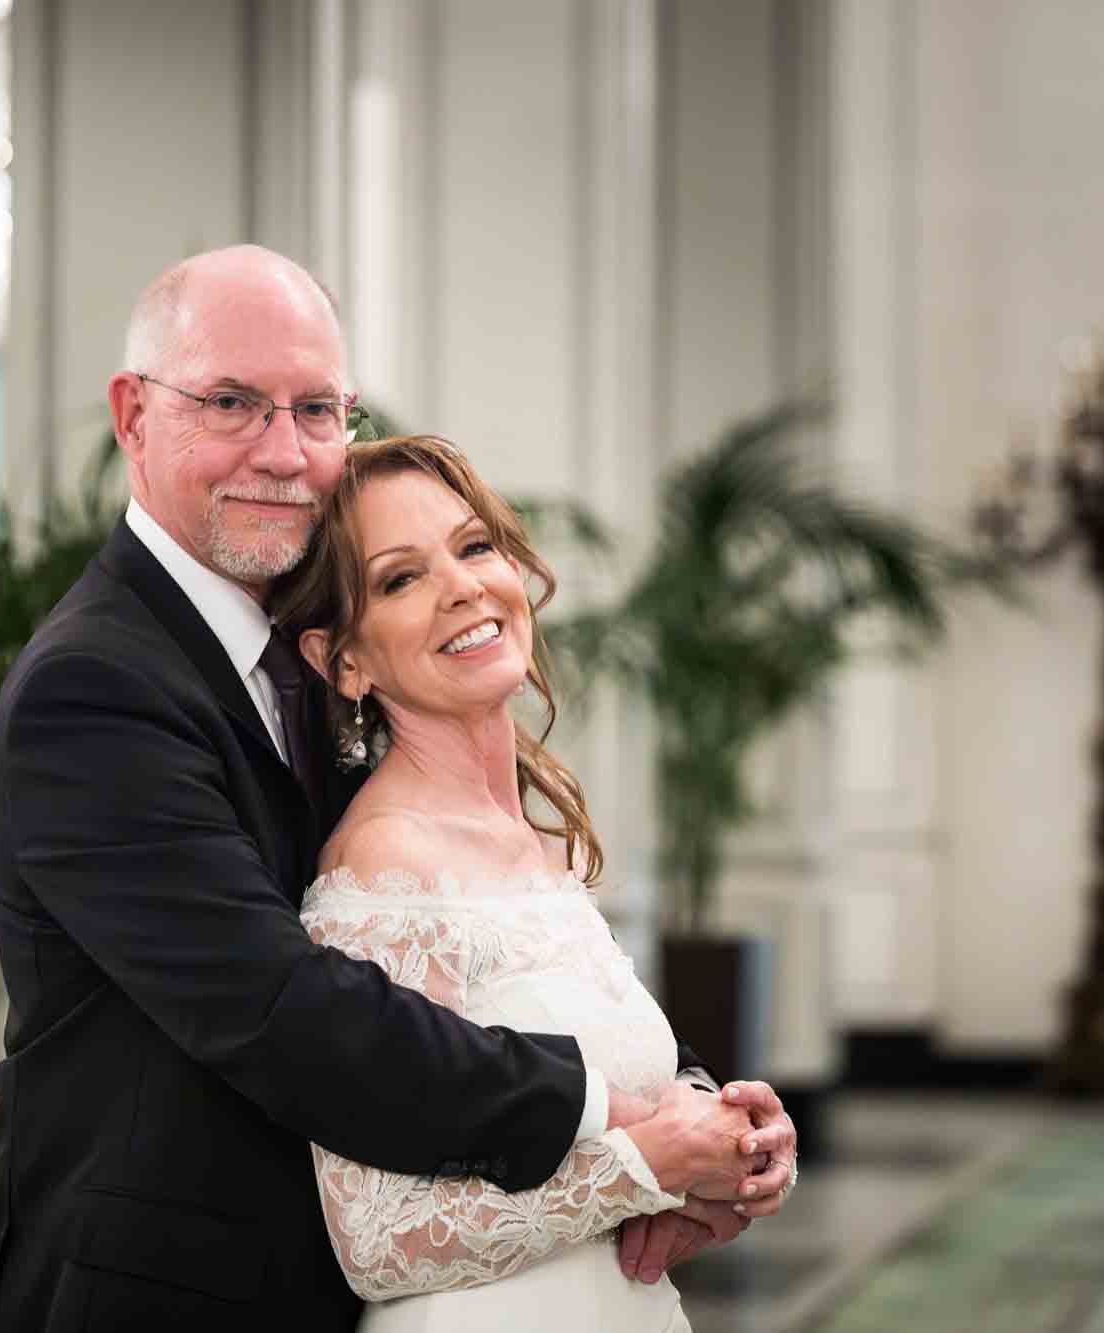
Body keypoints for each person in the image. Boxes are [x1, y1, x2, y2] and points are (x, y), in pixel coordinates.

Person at [0, 245, 796, 1332]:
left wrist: (701, 1115)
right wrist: (625, 1134)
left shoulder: (325, 666)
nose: (283, 452)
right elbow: (276, 1008)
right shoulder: (92, 687)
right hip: (164, 1291)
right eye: (232, 402)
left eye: (315, 409)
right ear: (133, 415)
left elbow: (480, 960)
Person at [270, 434, 784, 1329]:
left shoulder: (538, 848)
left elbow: (610, 1096)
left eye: (473, 546)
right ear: (343, 659)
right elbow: (379, 1237)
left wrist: (728, 1130)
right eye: (400, 579)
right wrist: (647, 1166)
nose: (464, 586)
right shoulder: (386, 868)